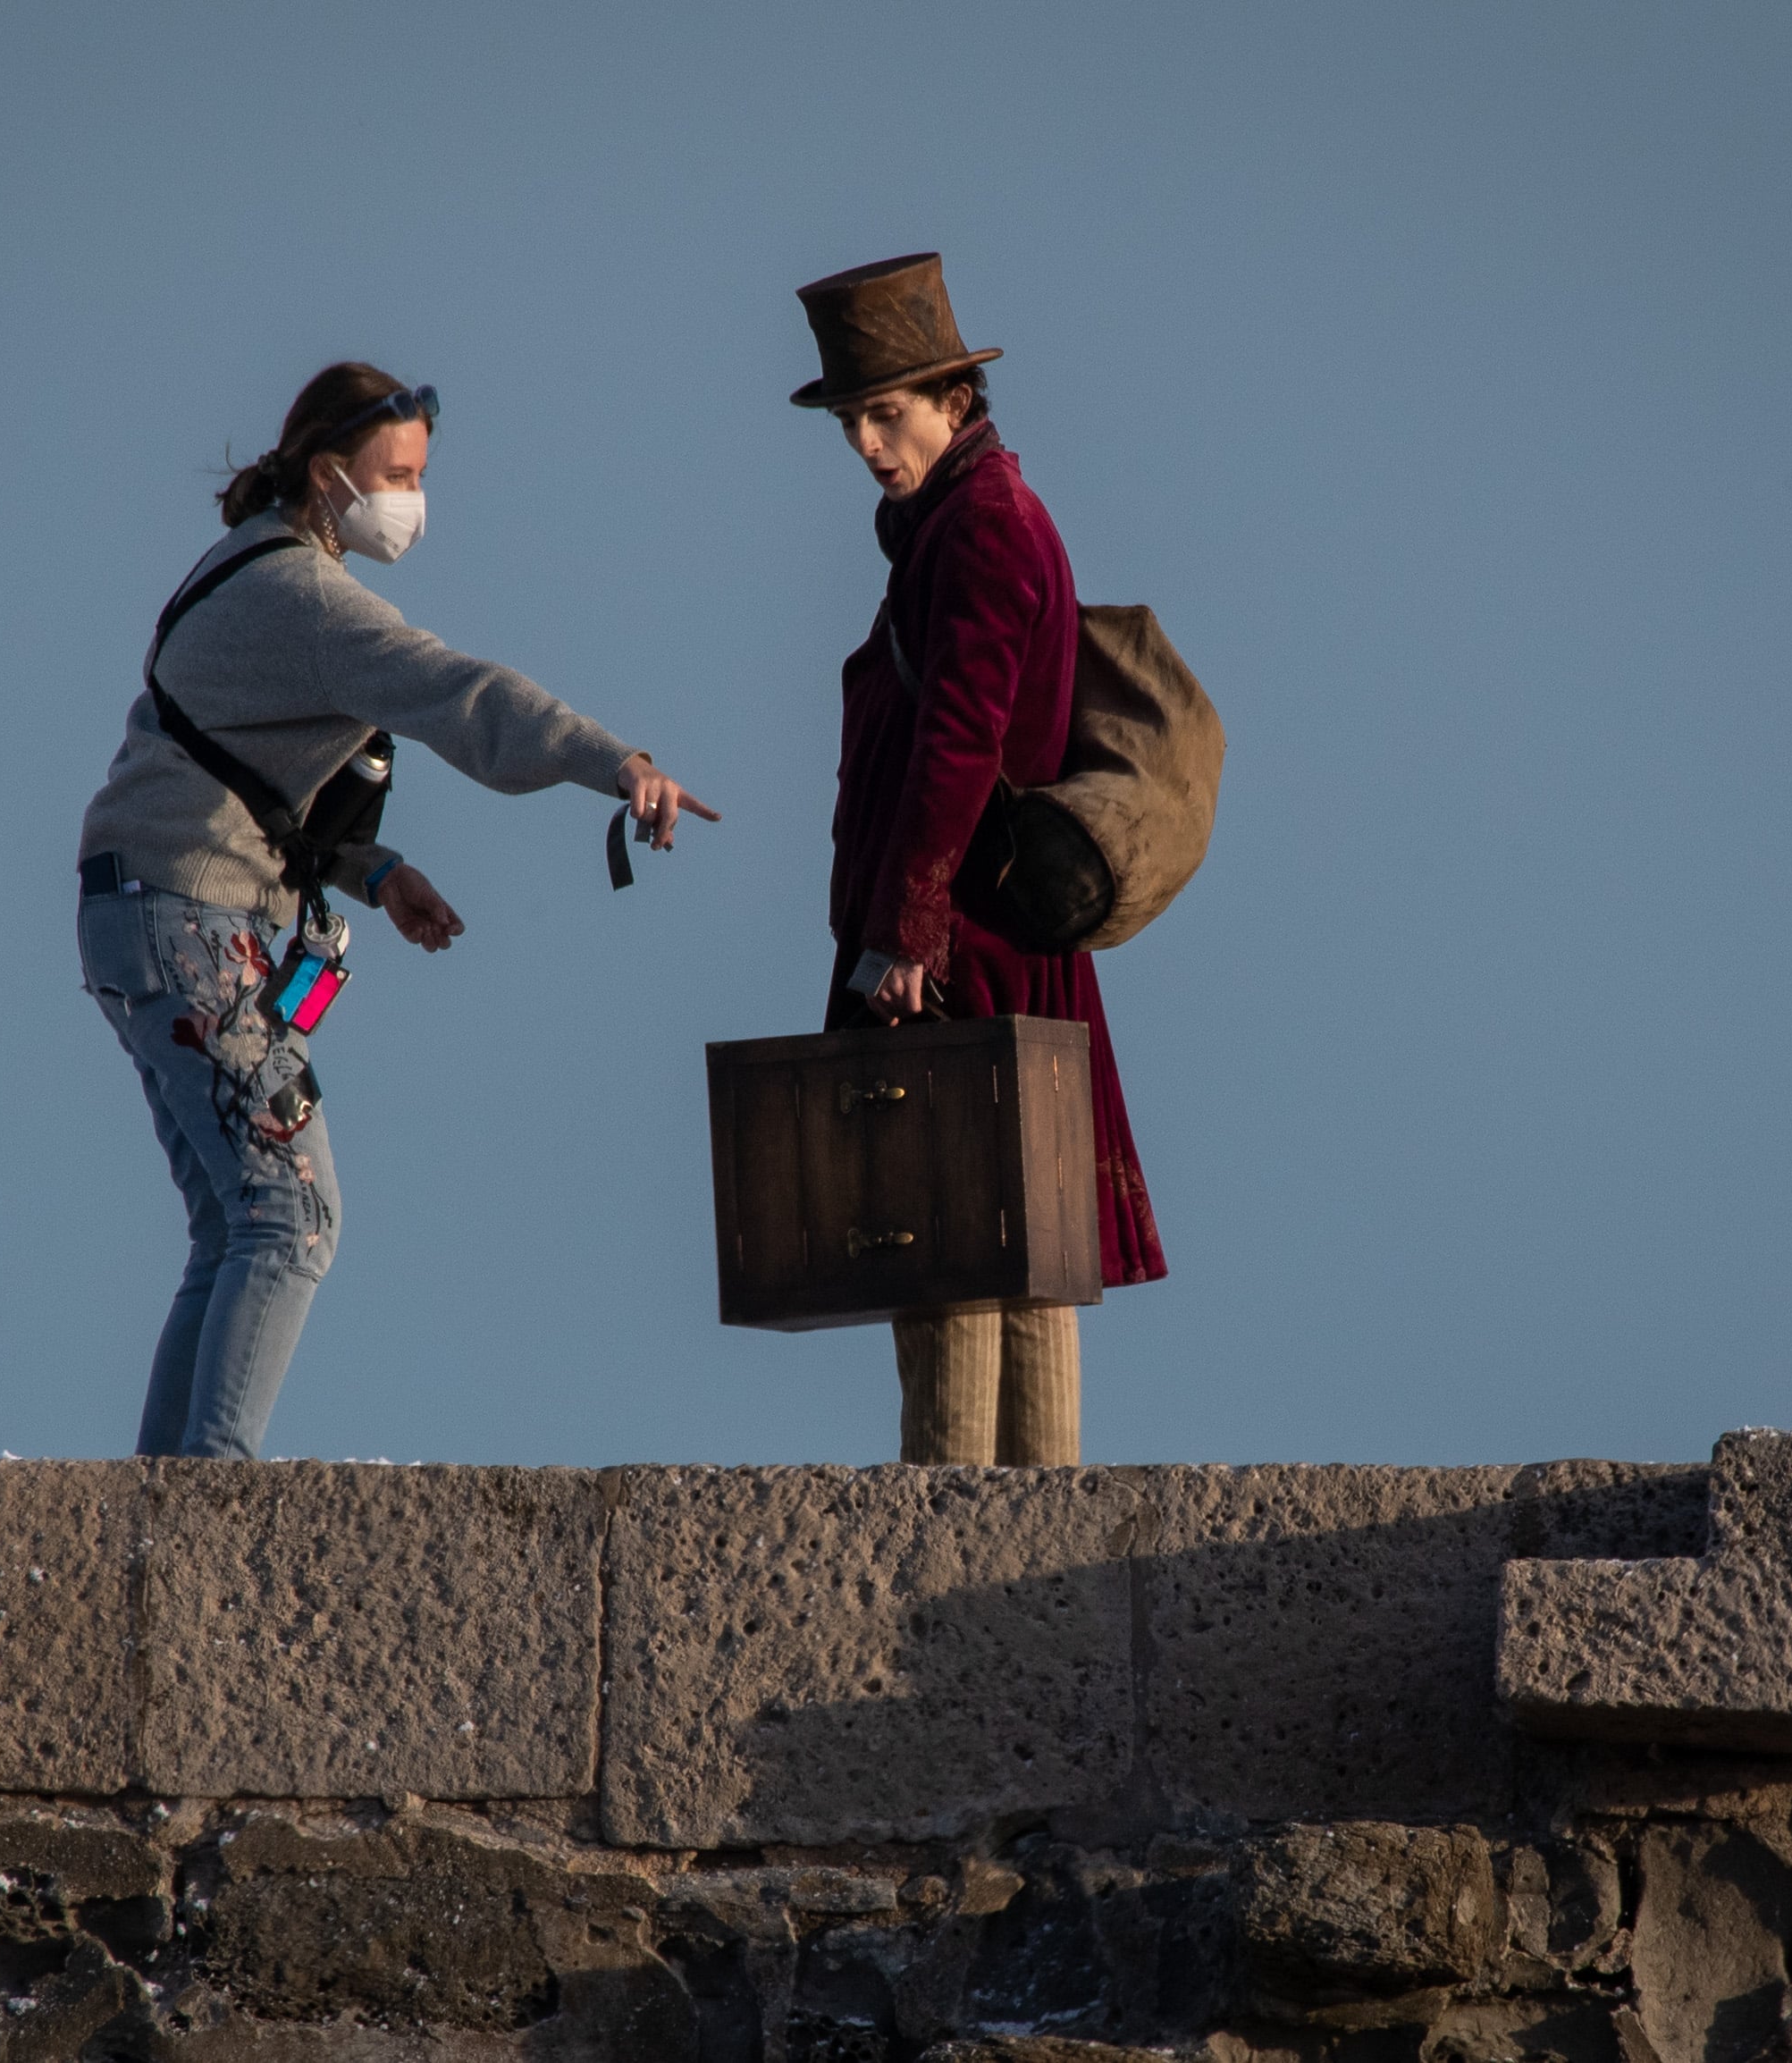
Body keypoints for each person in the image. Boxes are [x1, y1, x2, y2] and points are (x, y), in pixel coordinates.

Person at [77, 362, 715, 1459]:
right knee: (291, 1217)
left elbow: (243, 762)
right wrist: (618, 763)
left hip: (142, 908)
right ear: (329, 476)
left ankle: (164, 1496)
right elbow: (460, 691)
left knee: (233, 1222)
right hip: (187, 915)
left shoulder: (245, 566)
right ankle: (208, 1502)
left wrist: (371, 871)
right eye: (397, 475)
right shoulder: (305, 595)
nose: (414, 499)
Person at [790, 254, 1166, 1466]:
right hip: (991, 941)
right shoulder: (964, 525)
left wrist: (906, 934)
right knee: (1023, 1253)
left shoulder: (984, 529)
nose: (863, 440)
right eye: (850, 417)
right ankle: (1022, 1562)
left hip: (958, 949)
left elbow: (962, 742)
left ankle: (955, 1550)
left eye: (885, 412)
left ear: (956, 398)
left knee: (950, 1245)